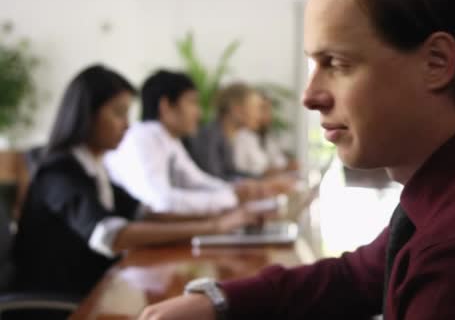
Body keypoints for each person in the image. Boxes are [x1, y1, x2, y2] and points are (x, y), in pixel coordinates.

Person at [139, 0, 455, 319]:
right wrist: (217, 302)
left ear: (437, 62)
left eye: (336, 63)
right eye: (312, 64)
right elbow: (361, 276)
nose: (310, 95)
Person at [14, 65, 258, 298]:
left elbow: (144, 213)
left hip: (95, 289)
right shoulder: (60, 172)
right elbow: (110, 235)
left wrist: (219, 222)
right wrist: (212, 227)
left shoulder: (94, 169)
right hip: (60, 299)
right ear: (87, 115)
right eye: (119, 113)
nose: (127, 125)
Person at [105, 71, 271, 215]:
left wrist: (236, 189)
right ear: (166, 106)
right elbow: (161, 202)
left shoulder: (168, 139)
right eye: (192, 102)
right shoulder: (144, 138)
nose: (199, 113)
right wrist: (231, 197)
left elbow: (197, 180)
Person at [184, 82, 265, 181]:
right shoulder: (210, 136)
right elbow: (214, 179)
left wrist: (264, 180)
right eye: (255, 108)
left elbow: (230, 172)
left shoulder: (226, 135)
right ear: (237, 109)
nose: (259, 115)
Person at [232, 94, 297, 177]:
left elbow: (279, 162)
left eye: (269, 110)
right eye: (263, 110)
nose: (268, 115)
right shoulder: (241, 136)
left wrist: (286, 167)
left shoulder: (268, 136)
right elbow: (238, 172)